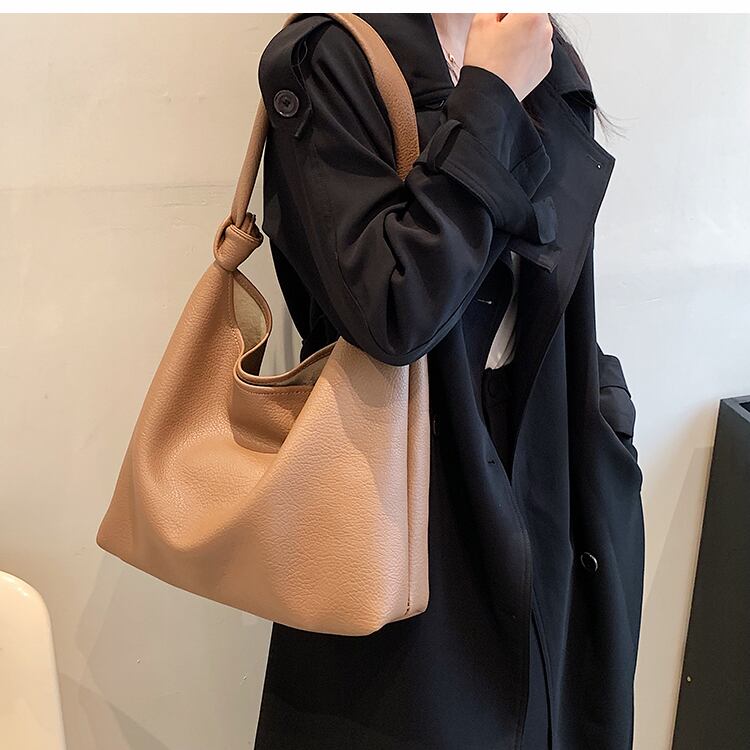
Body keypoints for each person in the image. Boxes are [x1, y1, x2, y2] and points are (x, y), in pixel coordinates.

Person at [253, 13, 645, 750]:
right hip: (403, 495)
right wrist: (491, 93)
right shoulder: (330, 58)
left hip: (554, 470)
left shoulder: (534, 37)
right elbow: (393, 311)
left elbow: (550, 270)